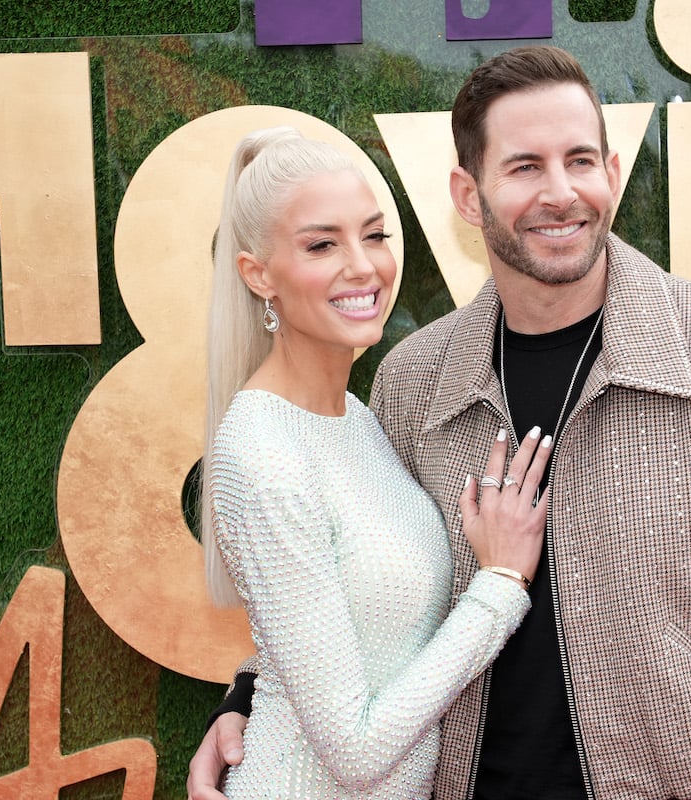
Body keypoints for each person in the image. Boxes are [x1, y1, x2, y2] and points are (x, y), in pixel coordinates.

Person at [190, 47, 691, 800]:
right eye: (525, 168)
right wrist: (250, 699)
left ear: (611, 173)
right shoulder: (413, 381)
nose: (561, 193)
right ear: (467, 193)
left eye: (580, 160)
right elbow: (360, 580)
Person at [198, 127, 554, 800]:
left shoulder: (358, 416)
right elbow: (356, 750)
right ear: (258, 274)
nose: (362, 266)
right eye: (322, 244)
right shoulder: (262, 454)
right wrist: (503, 583)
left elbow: (355, 635)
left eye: (375, 235)